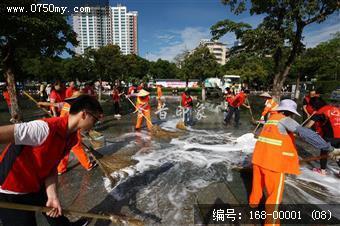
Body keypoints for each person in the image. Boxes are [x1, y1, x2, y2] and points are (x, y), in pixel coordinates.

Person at [0, 95, 103, 226]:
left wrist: (52, 195)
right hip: (10, 190)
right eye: (95, 120)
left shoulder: (71, 138)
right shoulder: (43, 129)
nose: (95, 124)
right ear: (84, 115)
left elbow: (52, 166)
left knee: (55, 210)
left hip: (35, 183)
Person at [249, 99, 340, 226]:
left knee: (257, 186)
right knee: (274, 197)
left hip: (258, 159)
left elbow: (276, 138)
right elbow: (307, 134)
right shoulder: (285, 120)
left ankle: (253, 204)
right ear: (290, 112)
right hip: (273, 164)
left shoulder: (272, 119)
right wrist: (329, 148)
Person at [306, 97, 340, 175]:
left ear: (314, 106)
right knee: (338, 153)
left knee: (324, 151)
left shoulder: (320, 112)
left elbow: (308, 125)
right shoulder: (335, 108)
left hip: (330, 136)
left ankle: (322, 171)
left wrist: (299, 130)